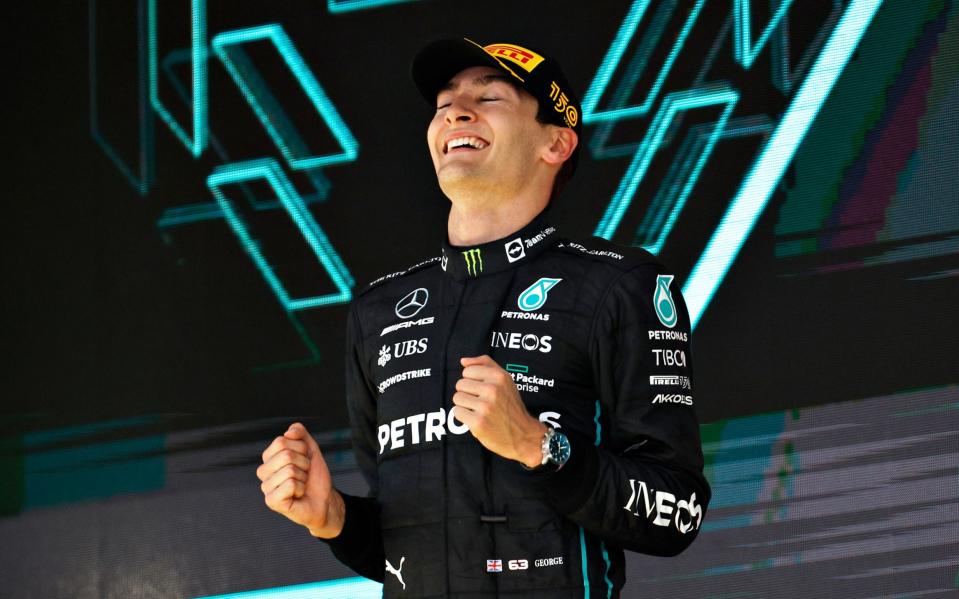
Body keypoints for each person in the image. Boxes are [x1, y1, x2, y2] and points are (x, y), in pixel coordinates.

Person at [257, 37, 709, 598]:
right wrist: (332, 518)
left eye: (490, 96)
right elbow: (410, 548)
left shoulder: (619, 285)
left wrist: (540, 446)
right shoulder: (378, 308)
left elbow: (678, 513)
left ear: (557, 143)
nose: (456, 112)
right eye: (445, 104)